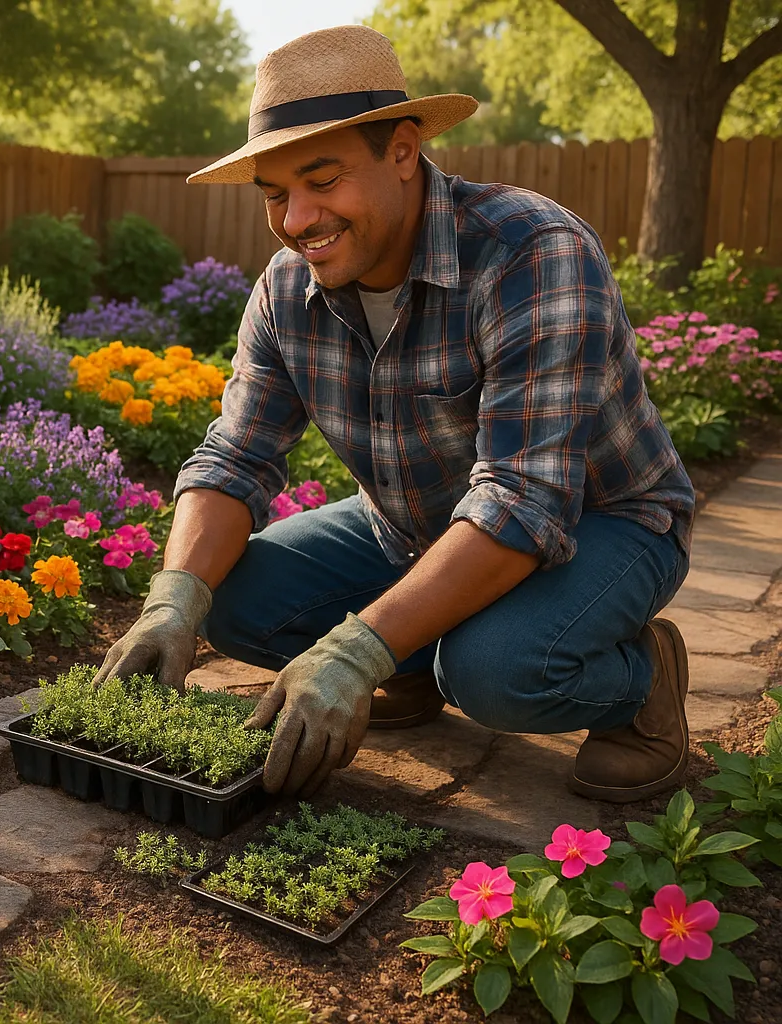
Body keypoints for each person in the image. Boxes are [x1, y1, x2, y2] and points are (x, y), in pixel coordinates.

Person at [96, 24, 694, 805]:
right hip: (417, 527)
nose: (297, 219)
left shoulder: (531, 252)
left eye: (323, 180)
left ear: (404, 151)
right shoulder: (286, 291)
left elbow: (523, 501)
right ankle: (409, 669)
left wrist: (354, 649)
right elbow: (234, 459)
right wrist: (172, 601)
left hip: (604, 521)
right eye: (276, 194)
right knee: (233, 601)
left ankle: (640, 676)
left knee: (493, 673)